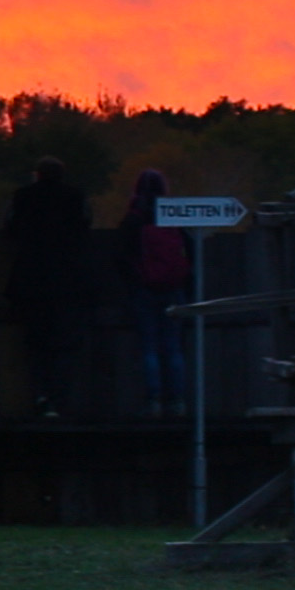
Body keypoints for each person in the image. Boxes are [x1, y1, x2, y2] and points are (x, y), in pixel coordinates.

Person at [0, 159, 93, 417]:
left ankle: (41, 395)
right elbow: (85, 225)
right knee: (64, 344)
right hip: (67, 283)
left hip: (31, 281)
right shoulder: (75, 197)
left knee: (35, 344)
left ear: (37, 175)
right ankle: (61, 398)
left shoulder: (23, 197)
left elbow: (9, 227)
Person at [122, 168, 190, 415]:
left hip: (144, 289)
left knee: (149, 347)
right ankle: (177, 401)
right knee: (173, 347)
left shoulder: (134, 219)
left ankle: (153, 401)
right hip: (174, 288)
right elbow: (190, 251)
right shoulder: (172, 215)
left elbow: (122, 256)